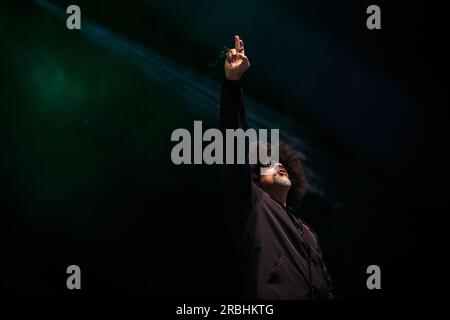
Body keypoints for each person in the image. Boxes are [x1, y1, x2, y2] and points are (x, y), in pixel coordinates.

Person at [219, 35, 333, 300]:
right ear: (255, 178)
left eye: (281, 162)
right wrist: (233, 84)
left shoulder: (308, 232)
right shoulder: (253, 204)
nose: (279, 165)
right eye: (269, 164)